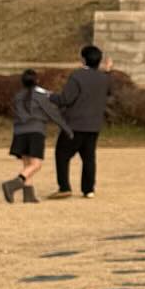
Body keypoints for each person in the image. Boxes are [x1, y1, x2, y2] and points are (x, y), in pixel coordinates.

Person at [2, 70, 72, 204]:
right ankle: (12, 185)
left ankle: (28, 195)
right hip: (35, 132)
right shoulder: (40, 96)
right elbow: (53, 114)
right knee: (36, 165)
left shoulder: (17, 96)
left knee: (27, 164)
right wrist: (67, 129)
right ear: (37, 81)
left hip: (19, 133)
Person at [53, 44, 112, 199]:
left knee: (62, 154)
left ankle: (64, 187)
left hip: (75, 123)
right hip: (94, 125)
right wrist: (107, 70)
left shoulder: (77, 76)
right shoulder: (104, 78)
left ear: (83, 59)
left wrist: (49, 96)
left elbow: (65, 99)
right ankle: (88, 189)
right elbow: (106, 87)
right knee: (88, 157)